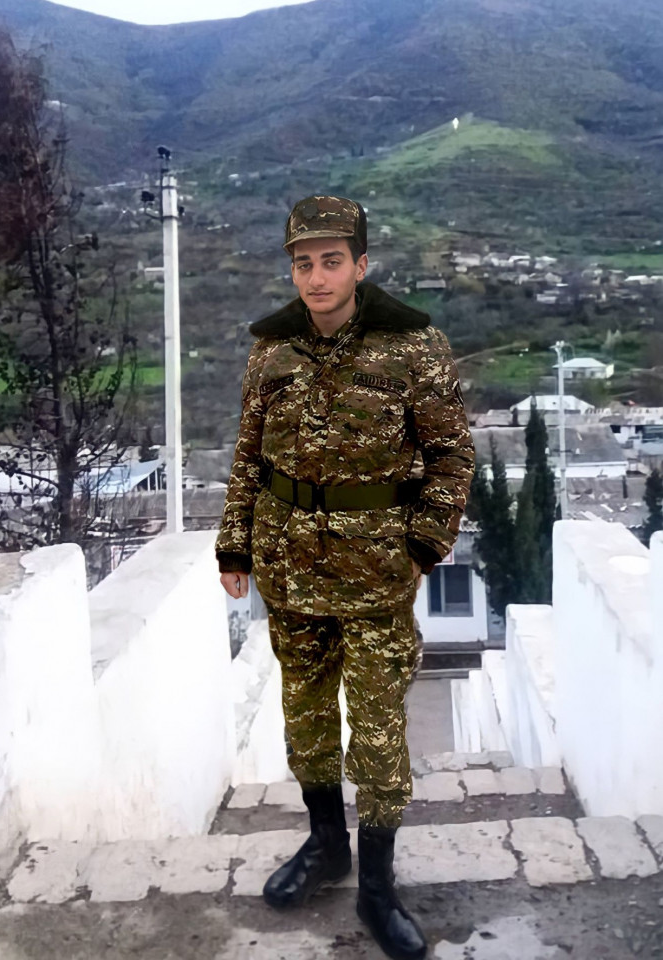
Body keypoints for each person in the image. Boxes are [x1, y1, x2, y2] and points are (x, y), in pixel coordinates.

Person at [216, 195, 474, 960]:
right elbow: (248, 455)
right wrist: (235, 546)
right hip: (289, 567)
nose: (317, 277)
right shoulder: (272, 351)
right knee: (305, 720)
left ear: (360, 265)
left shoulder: (414, 347)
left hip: (376, 576)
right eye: (304, 263)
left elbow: (452, 456)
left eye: (332, 261)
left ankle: (377, 888)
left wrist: (423, 545)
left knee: (379, 730)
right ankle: (327, 845)